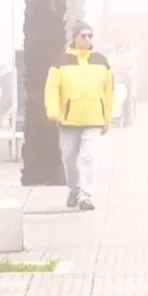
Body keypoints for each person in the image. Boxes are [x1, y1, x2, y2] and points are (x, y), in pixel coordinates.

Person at [44, 20, 113, 211]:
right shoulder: (60, 62)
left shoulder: (101, 61)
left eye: (90, 35)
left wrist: (107, 118)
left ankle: (86, 195)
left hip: (93, 119)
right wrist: (53, 111)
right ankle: (74, 189)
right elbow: (52, 89)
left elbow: (109, 92)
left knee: (88, 158)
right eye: (83, 35)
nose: (87, 39)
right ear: (74, 37)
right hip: (68, 120)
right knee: (69, 158)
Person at [111, 43, 138, 127]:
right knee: (115, 101)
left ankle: (127, 120)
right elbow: (110, 67)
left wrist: (129, 75)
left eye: (124, 50)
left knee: (127, 101)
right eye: (120, 50)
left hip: (127, 82)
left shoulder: (130, 57)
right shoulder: (112, 57)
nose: (122, 52)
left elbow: (135, 67)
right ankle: (116, 119)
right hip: (115, 81)